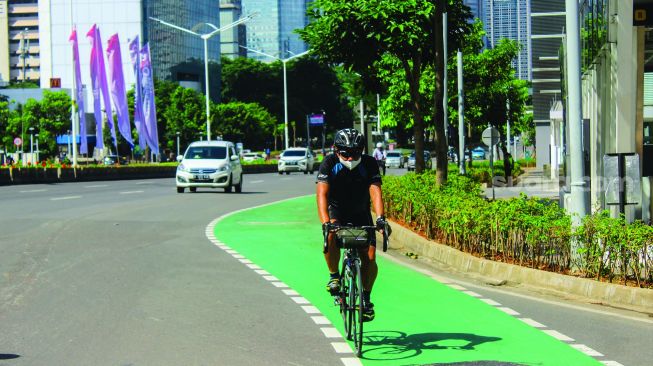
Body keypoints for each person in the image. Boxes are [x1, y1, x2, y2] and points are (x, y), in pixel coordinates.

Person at [316, 128, 388, 322]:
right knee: (330, 235)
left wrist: (381, 218)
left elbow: (375, 192)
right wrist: (325, 223)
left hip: (361, 213)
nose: (349, 158)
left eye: (355, 153)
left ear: (362, 150)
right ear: (336, 150)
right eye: (345, 153)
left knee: (370, 257)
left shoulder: (370, 164)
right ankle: (334, 276)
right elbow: (322, 195)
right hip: (336, 211)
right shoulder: (329, 163)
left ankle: (365, 298)